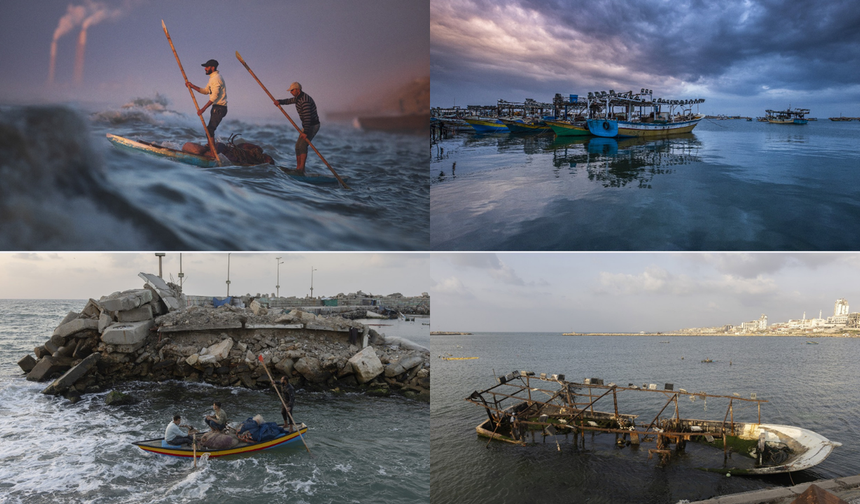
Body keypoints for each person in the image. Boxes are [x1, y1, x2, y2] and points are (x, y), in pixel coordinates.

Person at [274, 82, 319, 173]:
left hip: (312, 125)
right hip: (307, 125)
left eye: (292, 90)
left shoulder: (305, 100)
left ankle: (301, 170)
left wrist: (305, 132)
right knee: (297, 146)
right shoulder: (298, 98)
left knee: (302, 145)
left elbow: (307, 117)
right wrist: (279, 102)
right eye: (290, 91)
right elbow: (289, 101)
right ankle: (298, 169)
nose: (291, 92)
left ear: (298, 90)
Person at [186, 59, 227, 138]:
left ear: (213, 67)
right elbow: (205, 91)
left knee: (210, 130)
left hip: (219, 108)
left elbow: (214, 97)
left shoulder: (216, 78)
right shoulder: (212, 78)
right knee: (209, 130)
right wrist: (191, 86)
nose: (205, 69)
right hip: (216, 107)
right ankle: (210, 147)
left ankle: (212, 149)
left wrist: (203, 109)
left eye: (207, 67)